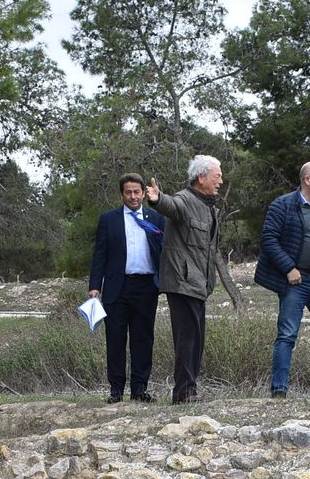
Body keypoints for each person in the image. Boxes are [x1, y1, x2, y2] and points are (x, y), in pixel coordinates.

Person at [257, 161, 310, 399]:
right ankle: (279, 389)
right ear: (307, 179)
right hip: (295, 282)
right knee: (287, 335)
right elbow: (269, 240)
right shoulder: (282, 205)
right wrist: (289, 268)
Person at [146, 155, 226, 404]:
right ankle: (183, 393)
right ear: (201, 177)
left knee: (195, 340)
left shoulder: (208, 206)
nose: (221, 181)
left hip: (198, 284)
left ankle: (189, 390)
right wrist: (157, 198)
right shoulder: (185, 200)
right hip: (182, 282)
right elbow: (171, 205)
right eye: (217, 176)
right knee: (187, 340)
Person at [89, 173, 164, 403]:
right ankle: (116, 390)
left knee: (143, 338)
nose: (133, 196)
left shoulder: (156, 218)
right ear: (122, 194)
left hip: (146, 287)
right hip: (116, 287)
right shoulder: (108, 219)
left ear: (143, 193)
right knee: (115, 339)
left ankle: (139, 389)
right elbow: (100, 254)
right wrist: (95, 286)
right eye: (128, 192)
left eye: (136, 192)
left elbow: (164, 251)